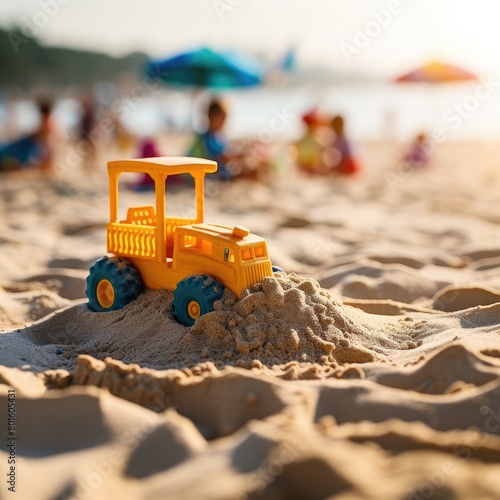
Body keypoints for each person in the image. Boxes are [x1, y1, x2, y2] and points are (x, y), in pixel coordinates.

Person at [187, 98, 270, 181]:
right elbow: (224, 157)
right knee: (252, 172)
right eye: (222, 119)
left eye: (225, 119)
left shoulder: (217, 136)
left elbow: (228, 150)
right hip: (215, 173)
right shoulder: (207, 138)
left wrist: (246, 149)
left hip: (222, 168)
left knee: (252, 166)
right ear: (211, 117)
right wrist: (243, 153)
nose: (224, 123)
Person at [0, 98, 56, 173]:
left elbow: (45, 143)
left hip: (28, 145)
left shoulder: (47, 123)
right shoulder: (49, 122)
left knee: (7, 152)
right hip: (29, 145)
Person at [295, 109, 327, 175]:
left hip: (306, 160)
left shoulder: (307, 135)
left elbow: (298, 144)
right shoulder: (314, 136)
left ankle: (307, 169)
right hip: (310, 161)